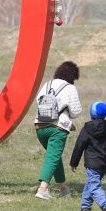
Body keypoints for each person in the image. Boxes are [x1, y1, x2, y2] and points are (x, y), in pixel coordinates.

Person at [33, 61, 82, 200]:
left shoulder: (47, 84)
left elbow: (39, 101)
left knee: (54, 156)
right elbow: (76, 111)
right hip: (58, 128)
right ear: (73, 76)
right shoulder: (70, 88)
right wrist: (67, 118)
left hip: (40, 126)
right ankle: (42, 189)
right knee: (53, 157)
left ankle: (64, 189)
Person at [69, 102, 106, 211]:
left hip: (91, 164)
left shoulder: (86, 129)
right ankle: (84, 210)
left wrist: (73, 163)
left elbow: (79, 146)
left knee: (94, 187)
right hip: (103, 164)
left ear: (92, 113)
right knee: (90, 185)